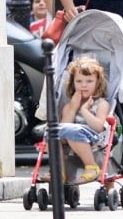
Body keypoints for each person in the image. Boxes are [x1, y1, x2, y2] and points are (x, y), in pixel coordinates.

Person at [40, 56, 110, 184]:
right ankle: (58, 172)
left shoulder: (101, 103)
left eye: (89, 81)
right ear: (73, 83)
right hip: (71, 136)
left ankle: (92, 166)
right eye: (79, 81)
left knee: (71, 131)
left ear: (97, 83)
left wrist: (84, 110)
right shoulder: (70, 105)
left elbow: (100, 127)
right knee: (52, 132)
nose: (84, 85)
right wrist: (73, 107)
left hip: (94, 138)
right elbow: (64, 127)